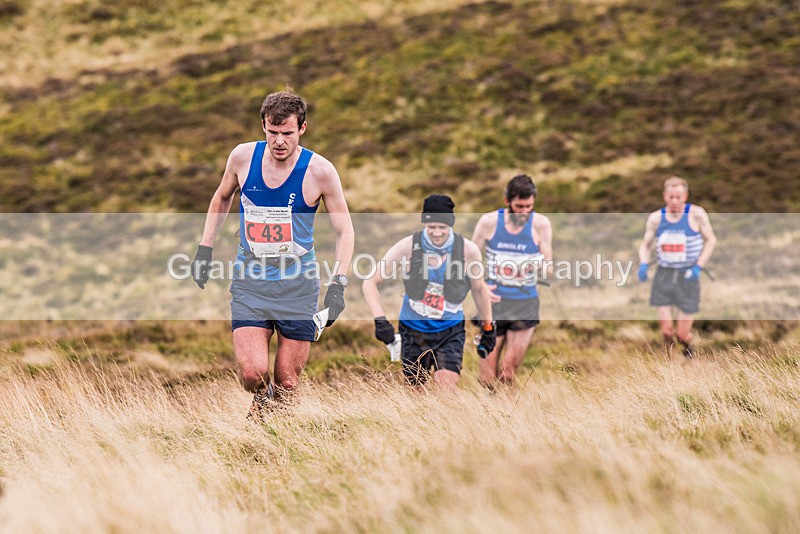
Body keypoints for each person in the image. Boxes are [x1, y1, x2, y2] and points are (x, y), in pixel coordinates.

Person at [191, 90, 354, 418]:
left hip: (298, 285)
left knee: (288, 384)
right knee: (252, 375)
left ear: (302, 129)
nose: (279, 141)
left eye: (287, 133)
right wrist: (204, 247)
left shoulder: (320, 171)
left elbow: (345, 230)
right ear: (263, 126)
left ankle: (264, 436)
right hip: (251, 280)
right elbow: (222, 197)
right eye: (272, 132)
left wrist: (338, 285)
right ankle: (263, 407)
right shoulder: (241, 158)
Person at [361, 194, 495, 387]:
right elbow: (370, 282)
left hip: (450, 331)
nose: (437, 233)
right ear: (425, 224)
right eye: (432, 227)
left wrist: (488, 327)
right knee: (417, 395)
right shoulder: (407, 247)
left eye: (443, 228)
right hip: (413, 331)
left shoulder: (468, 251)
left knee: (444, 391)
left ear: (451, 226)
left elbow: (479, 290)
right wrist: (380, 321)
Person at [471, 175, 553, 387]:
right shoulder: (489, 222)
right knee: (486, 377)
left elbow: (549, 267)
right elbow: (469, 259)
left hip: (525, 303)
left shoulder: (541, 224)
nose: (524, 212)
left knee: (508, 374)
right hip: (494, 304)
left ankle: (506, 417)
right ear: (507, 201)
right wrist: (480, 286)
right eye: (519, 206)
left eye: (529, 207)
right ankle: (487, 415)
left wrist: (538, 264)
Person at [638, 176, 716, 359]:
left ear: (685, 196)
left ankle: (689, 352)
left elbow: (711, 240)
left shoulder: (696, 215)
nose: (674, 201)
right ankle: (670, 366)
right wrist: (643, 263)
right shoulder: (656, 218)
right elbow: (645, 244)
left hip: (688, 276)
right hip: (664, 274)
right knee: (666, 331)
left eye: (678, 197)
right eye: (671, 197)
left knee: (682, 334)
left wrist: (698, 266)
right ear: (664, 196)